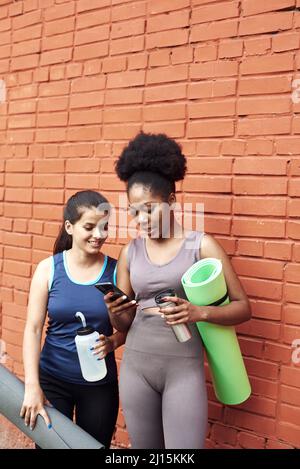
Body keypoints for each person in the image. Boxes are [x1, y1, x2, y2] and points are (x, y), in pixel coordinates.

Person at [104, 132, 252, 449]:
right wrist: (116, 313)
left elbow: (243, 307)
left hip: (182, 370)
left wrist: (200, 312)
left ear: (171, 201)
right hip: (136, 369)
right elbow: (124, 326)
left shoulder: (202, 246)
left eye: (149, 209)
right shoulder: (130, 253)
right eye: (133, 210)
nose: (140, 219)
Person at [21, 190, 126, 448]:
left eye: (104, 227)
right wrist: (32, 386)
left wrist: (114, 341)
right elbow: (33, 329)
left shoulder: (117, 270)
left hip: (100, 384)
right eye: (89, 227)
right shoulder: (49, 269)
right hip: (53, 380)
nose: (99, 235)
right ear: (70, 226)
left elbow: (130, 324)